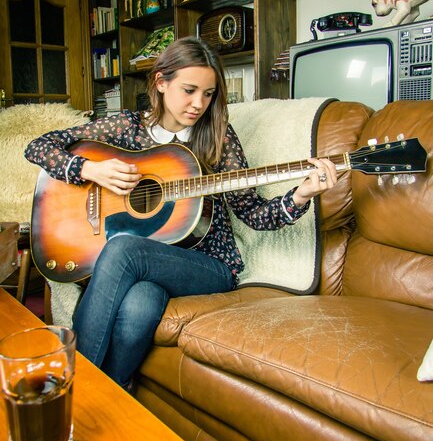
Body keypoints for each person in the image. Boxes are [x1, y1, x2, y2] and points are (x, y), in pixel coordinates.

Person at [25, 36, 337, 391]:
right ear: (161, 82)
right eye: (189, 90)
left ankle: (73, 389)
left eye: (208, 94)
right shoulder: (127, 129)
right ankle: (114, 393)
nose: (198, 104)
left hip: (208, 265)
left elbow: (252, 213)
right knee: (143, 301)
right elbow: (38, 146)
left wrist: (300, 195)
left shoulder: (218, 137)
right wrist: (89, 170)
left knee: (125, 248)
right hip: (149, 265)